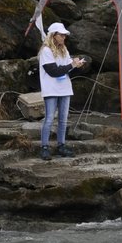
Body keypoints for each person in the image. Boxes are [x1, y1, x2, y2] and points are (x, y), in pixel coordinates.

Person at [37, 21, 84, 159]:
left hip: (64, 88)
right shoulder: (46, 50)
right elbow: (53, 71)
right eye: (61, 35)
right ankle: (44, 147)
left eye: (64, 35)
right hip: (51, 89)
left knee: (63, 120)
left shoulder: (64, 50)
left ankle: (61, 145)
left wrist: (76, 65)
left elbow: (67, 68)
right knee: (50, 118)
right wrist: (71, 65)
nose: (64, 37)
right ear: (54, 35)